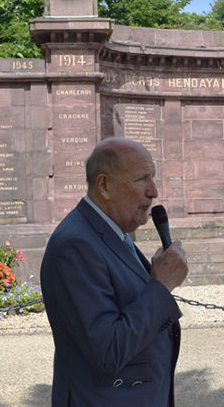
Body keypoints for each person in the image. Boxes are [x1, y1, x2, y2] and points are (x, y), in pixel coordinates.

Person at [40, 137, 188, 406]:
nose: (154, 191)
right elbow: (108, 350)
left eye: (152, 178)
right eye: (142, 179)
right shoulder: (76, 245)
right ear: (104, 185)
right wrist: (161, 286)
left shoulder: (113, 233)